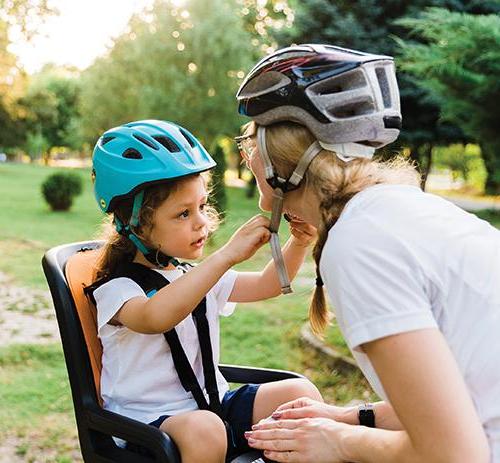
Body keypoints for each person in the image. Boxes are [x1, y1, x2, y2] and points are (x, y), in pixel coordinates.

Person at [235, 44, 500, 462]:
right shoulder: (399, 208)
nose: (247, 155)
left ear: (276, 160)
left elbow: (456, 455)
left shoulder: (359, 245)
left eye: (251, 142)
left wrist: (336, 441)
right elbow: (462, 393)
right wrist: (350, 417)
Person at [88, 119, 322, 463]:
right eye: (183, 213)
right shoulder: (117, 290)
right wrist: (226, 256)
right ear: (135, 222)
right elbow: (157, 316)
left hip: (212, 406)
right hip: (148, 426)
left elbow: (267, 284)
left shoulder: (192, 275)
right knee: (206, 430)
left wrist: (299, 242)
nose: (201, 221)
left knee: (300, 396)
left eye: (201, 206)